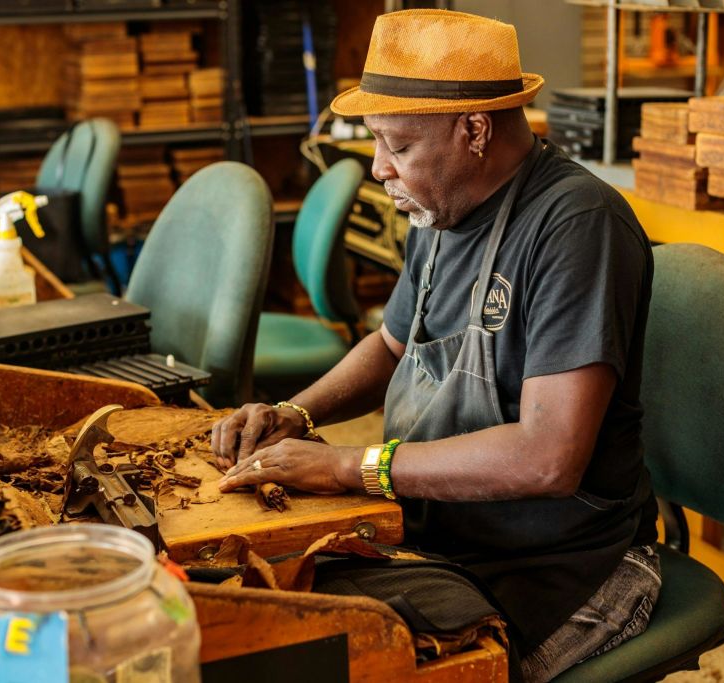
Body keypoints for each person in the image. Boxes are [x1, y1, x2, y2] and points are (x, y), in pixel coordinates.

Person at [212, 10, 660, 682]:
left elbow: (548, 458)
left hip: (565, 561)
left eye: (397, 145)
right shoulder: (440, 206)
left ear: (473, 130)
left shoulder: (576, 225)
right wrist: (294, 414)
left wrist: (348, 466)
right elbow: (390, 345)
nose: (378, 167)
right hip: (449, 531)